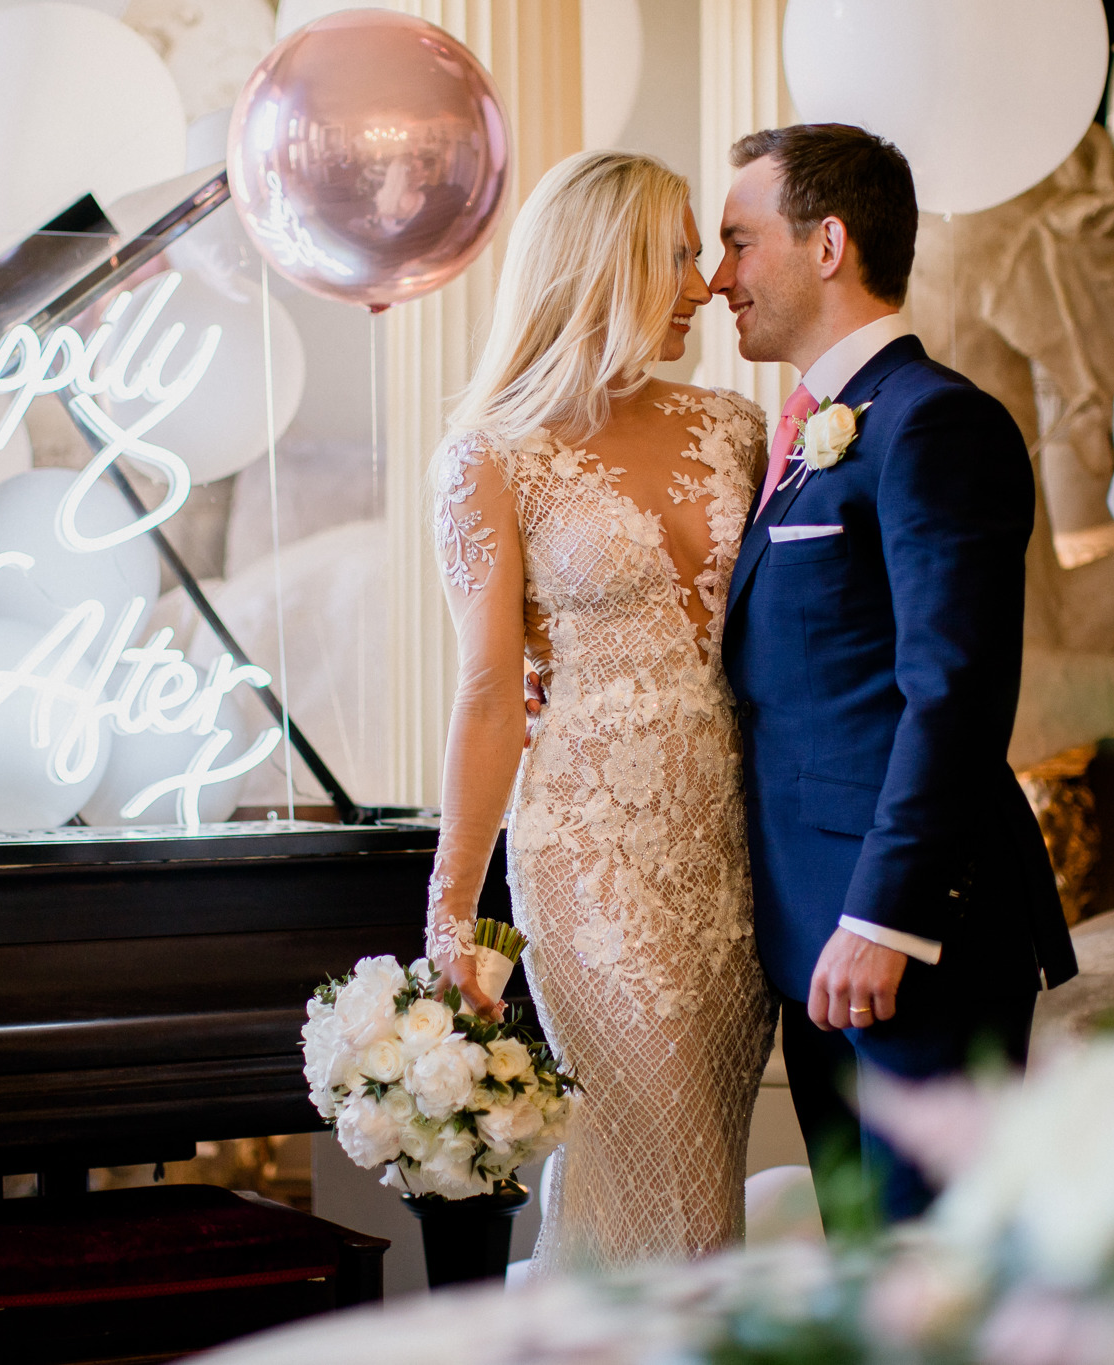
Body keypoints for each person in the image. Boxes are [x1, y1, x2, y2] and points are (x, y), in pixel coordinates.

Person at [711, 124, 1078, 1224]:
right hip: (810, 936)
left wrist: (882, 919)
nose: (718, 277)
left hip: (909, 936)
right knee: (868, 1276)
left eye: (738, 242)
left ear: (827, 244)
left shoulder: (934, 424)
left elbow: (952, 689)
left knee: (937, 1281)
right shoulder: (810, 434)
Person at [424, 149, 771, 1271]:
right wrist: (455, 920)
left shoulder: (737, 426)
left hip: (732, 853)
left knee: (694, 1168)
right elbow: (487, 698)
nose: (705, 283)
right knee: (658, 1149)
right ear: (606, 264)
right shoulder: (489, 458)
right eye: (676, 254)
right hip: (591, 856)